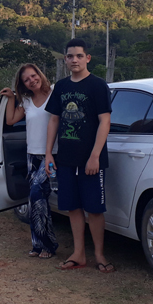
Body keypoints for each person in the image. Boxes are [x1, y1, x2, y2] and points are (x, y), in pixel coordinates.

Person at [44, 39, 114, 273]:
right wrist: (48, 154)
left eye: (78, 56)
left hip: (91, 159)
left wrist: (95, 156)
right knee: (72, 207)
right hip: (65, 158)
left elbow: (105, 120)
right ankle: (78, 254)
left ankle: (100, 255)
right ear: (65, 60)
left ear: (87, 58)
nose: (74, 60)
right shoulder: (61, 87)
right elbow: (54, 119)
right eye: (70, 56)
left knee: (94, 209)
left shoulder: (97, 85)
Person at [0, 64, 59, 259]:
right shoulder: (26, 101)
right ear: (23, 84)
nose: (32, 80)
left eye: (34, 76)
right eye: (27, 79)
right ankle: (38, 244)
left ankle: (48, 244)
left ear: (40, 75)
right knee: (35, 200)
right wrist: (11, 98)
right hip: (32, 155)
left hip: (52, 154)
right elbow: (10, 120)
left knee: (37, 193)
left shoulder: (54, 92)